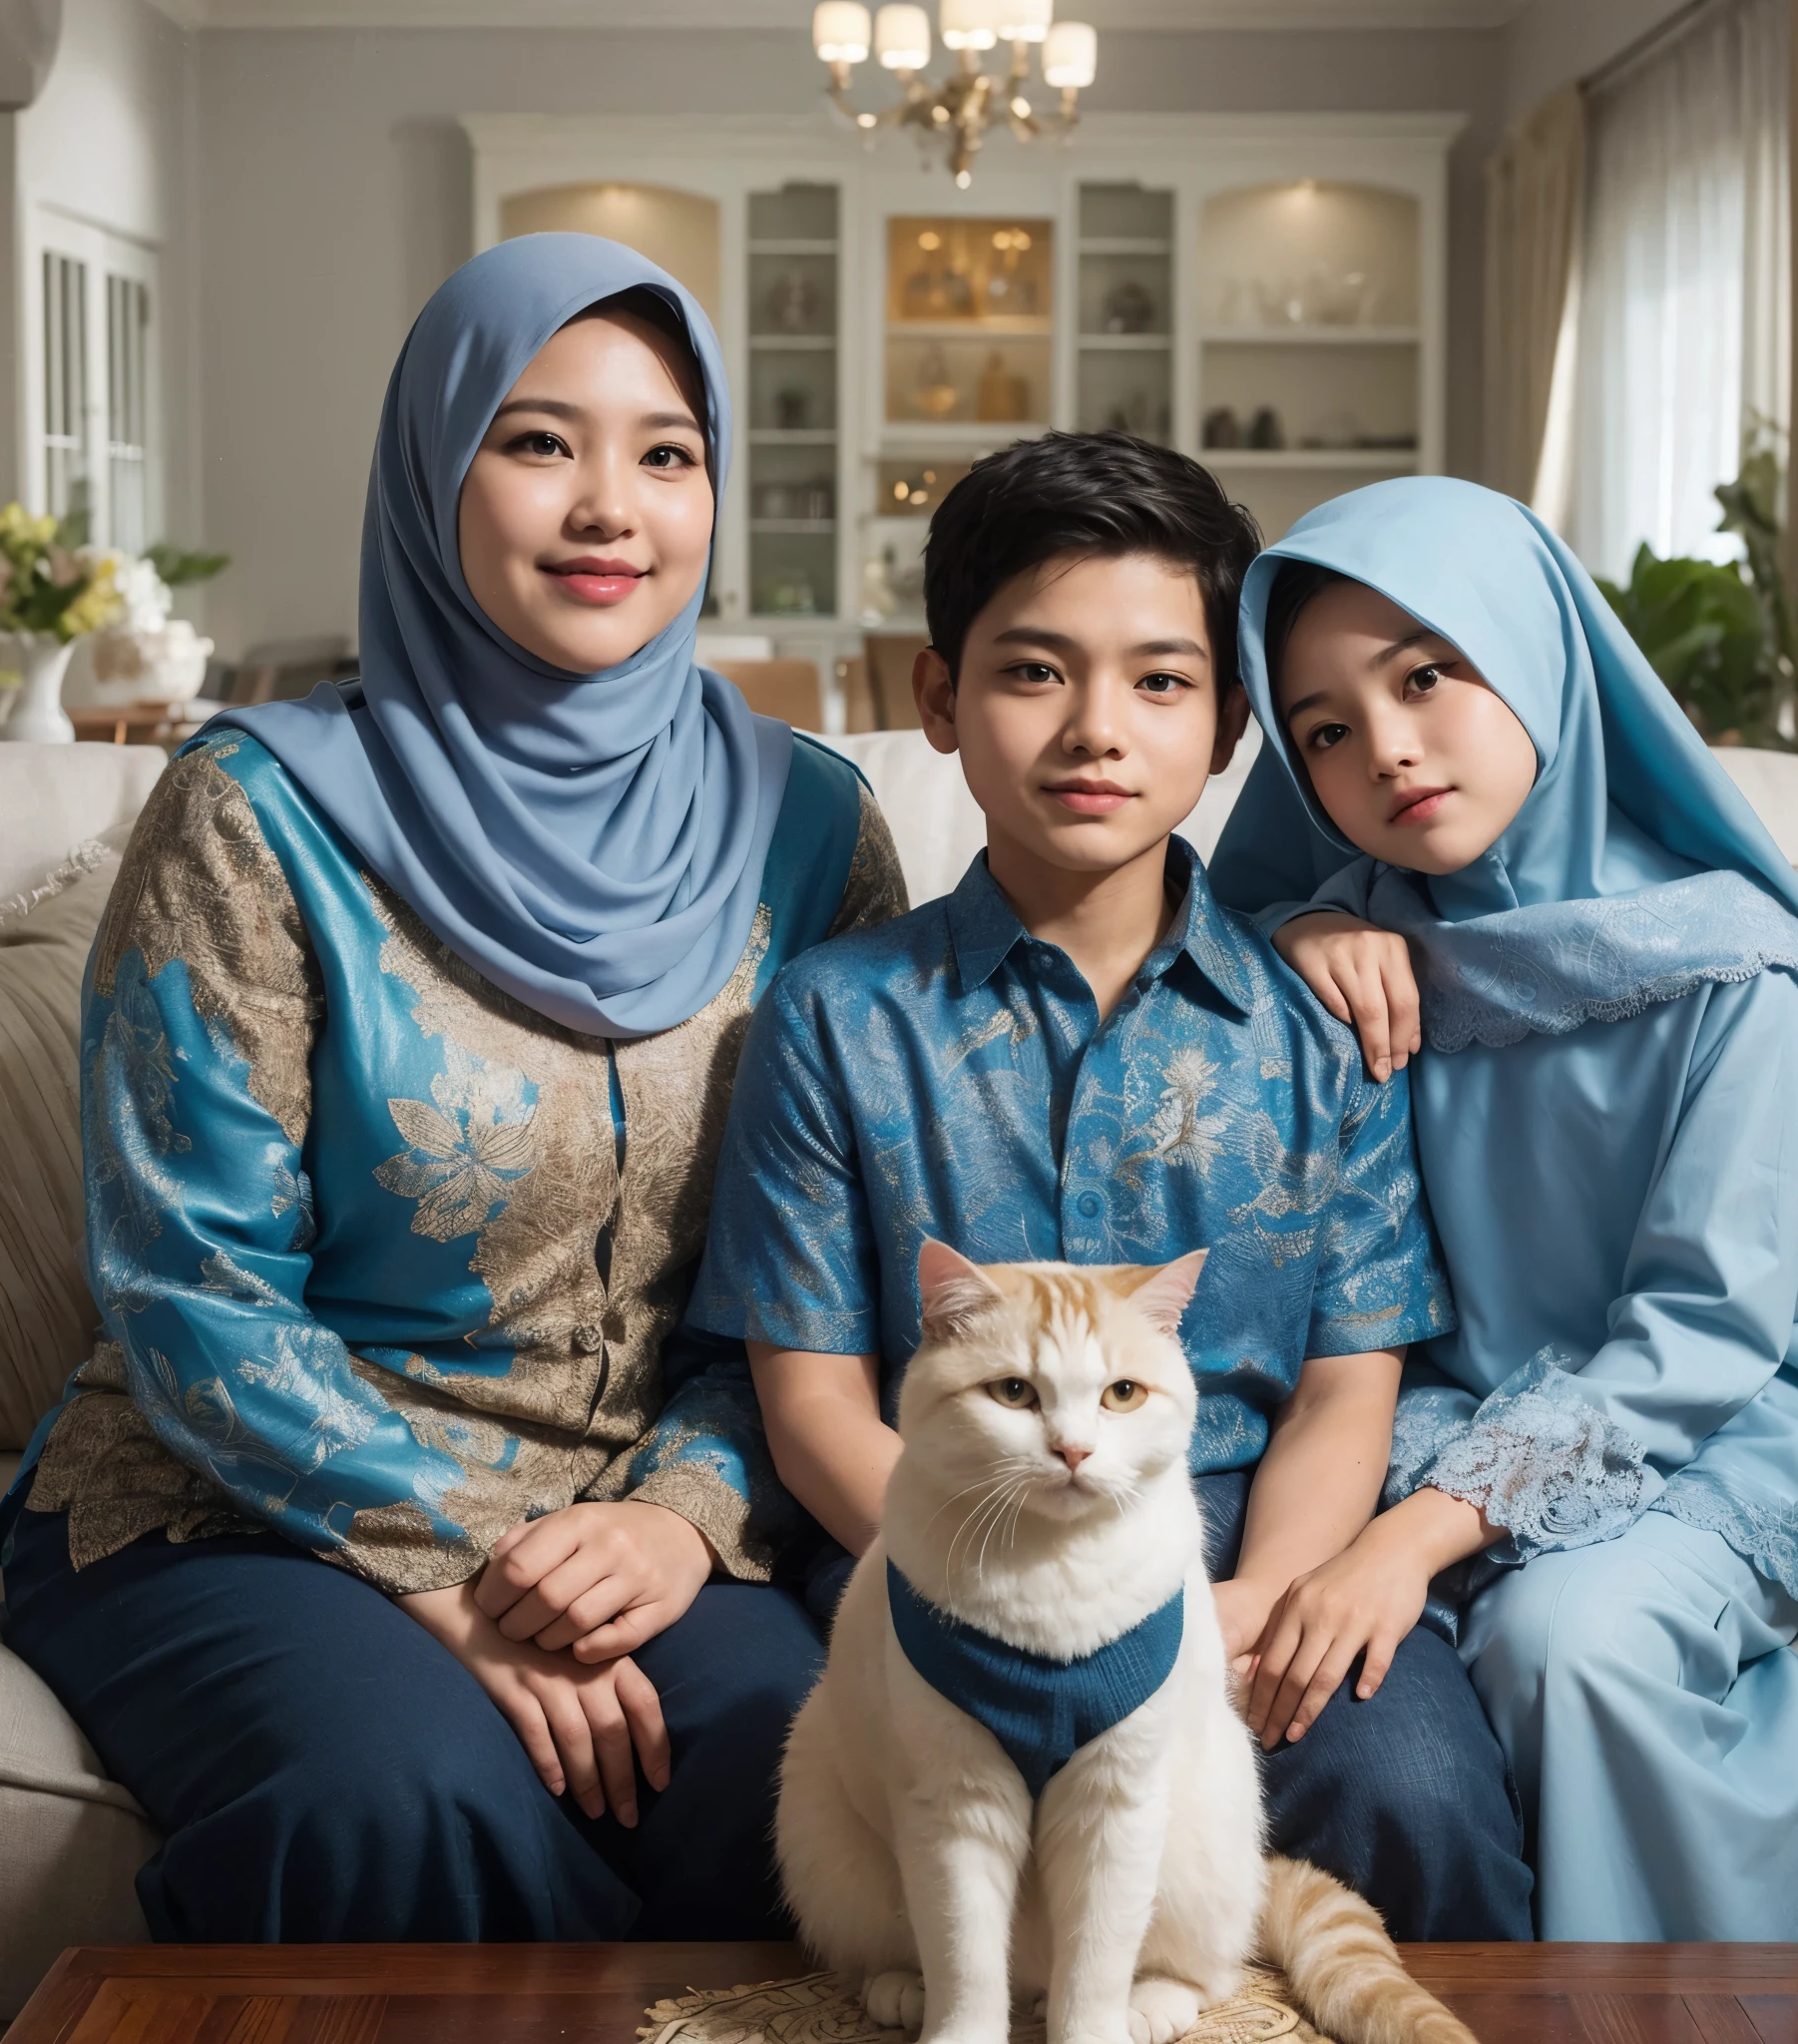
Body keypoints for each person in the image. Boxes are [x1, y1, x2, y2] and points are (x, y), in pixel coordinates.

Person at [0, 233, 907, 1943]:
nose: (610, 509)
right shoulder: (257, 812)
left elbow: (834, 1270)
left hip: (638, 1517)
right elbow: (187, 1285)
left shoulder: (813, 829)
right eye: (538, 439)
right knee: (394, 1799)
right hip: (240, 1504)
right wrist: (441, 1564)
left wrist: (685, 1519)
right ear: (433, 469)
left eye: (668, 453)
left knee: (815, 1786)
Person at [682, 432, 1536, 1942]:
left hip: (1243, 1551)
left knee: (1412, 1795)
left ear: (1226, 730)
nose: (1095, 730)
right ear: (938, 700)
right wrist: (989, 1589)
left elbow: (1350, 1383)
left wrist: (1264, 1597)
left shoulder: (1321, 1024)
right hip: (939, 1546)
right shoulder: (833, 1017)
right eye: (1032, 673)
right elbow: (814, 1399)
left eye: (1159, 680)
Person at [1206, 473, 1798, 1942]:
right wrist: (1297, 924)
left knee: (1566, 1641)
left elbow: (1703, 1333)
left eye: (1428, 677)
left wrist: (1408, 1541)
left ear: (1539, 648)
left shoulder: (1726, 969)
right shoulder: (1347, 944)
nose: (1389, 752)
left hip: (1720, 1419)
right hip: (1432, 1414)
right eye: (1327, 731)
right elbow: (1167, 945)